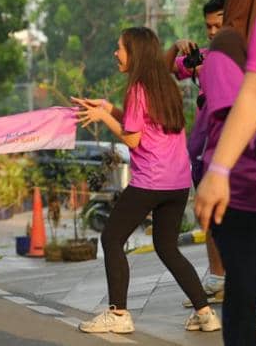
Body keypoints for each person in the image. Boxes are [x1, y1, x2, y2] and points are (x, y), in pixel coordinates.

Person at [73, 27, 221, 335]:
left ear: (135, 52)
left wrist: (103, 118)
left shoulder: (138, 88)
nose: (116, 53)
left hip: (151, 180)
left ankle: (118, 313)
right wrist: (107, 107)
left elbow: (133, 137)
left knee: (111, 238)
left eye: (120, 48)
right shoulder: (164, 86)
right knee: (167, 247)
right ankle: (205, 313)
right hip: (178, 183)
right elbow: (140, 123)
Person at [195, 0, 256, 346]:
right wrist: (217, 174)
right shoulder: (227, 48)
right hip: (239, 192)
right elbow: (242, 105)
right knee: (246, 288)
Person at [175, 0, 229, 306]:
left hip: (239, 155)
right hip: (203, 151)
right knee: (209, 215)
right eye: (208, 26)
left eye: (218, 25)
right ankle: (217, 278)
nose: (211, 32)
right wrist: (181, 45)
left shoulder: (249, 59)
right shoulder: (204, 58)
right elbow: (174, 65)